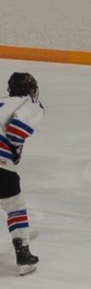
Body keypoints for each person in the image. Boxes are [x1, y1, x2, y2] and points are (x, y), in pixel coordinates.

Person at [0, 72, 42, 276]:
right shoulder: (30, 102)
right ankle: (23, 254)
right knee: (14, 203)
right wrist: (14, 151)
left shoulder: (2, 102)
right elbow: (17, 130)